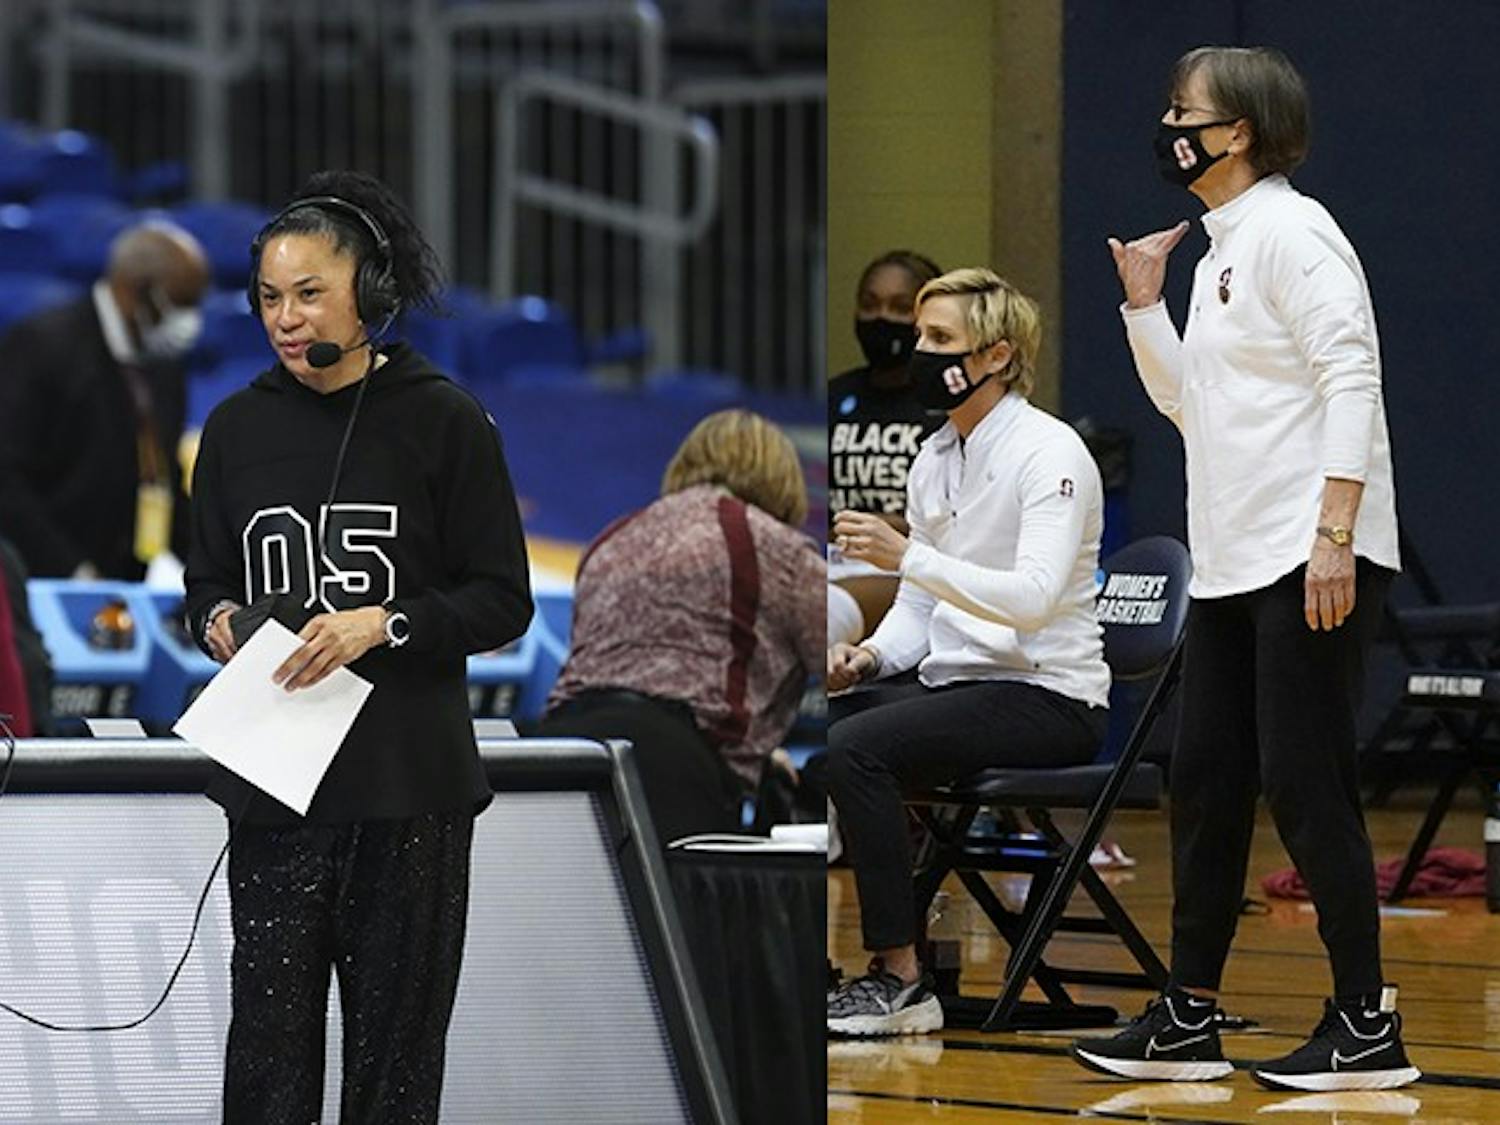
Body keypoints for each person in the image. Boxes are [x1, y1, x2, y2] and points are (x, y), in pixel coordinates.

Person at [1068, 47, 1416, 1092]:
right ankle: (1189, 1016)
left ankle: (1366, 1026)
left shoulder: (1295, 234)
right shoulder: (1222, 250)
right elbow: (1192, 406)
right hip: (1230, 568)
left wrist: (1335, 532)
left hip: (1306, 554)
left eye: (1188, 112)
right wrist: (1142, 308)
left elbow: (1353, 372)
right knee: (1207, 786)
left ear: (1243, 132)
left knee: (1309, 788)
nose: (1170, 127)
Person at [184, 170, 533, 1122]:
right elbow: (204, 581)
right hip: (275, 793)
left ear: (370, 294)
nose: (286, 318)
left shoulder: (445, 420)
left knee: (396, 1069)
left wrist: (386, 623)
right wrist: (218, 622)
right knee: (264, 1060)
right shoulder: (233, 428)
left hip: (409, 793)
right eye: (268, 297)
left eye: (308, 294)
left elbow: (503, 599)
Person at [825, 268, 1109, 1037]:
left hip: (1048, 695)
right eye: (921, 336)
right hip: (957, 687)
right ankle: (817, 960)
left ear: (999, 356)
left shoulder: (1050, 453)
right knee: (811, 719)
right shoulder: (935, 456)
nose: (920, 352)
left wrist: (904, 553)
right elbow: (920, 610)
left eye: (940, 339)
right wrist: (868, 659)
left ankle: (899, 976)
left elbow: (1033, 598)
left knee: (854, 747)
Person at [538, 409, 825, 844]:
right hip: (671, 766)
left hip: (562, 749)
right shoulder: (774, 545)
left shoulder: (613, 537)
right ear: (783, 481)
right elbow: (840, 655)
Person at [0, 221, 208, 580]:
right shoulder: (41, 347)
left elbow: (164, 478)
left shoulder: (165, 366)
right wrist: (72, 570)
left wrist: (211, 569)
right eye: (178, 304)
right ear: (136, 291)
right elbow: (8, 477)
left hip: (126, 581)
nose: (188, 322)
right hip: (43, 578)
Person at [828, 250, 944, 647]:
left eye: (898, 307)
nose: (882, 319)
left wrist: (897, 530)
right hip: (829, 560)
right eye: (870, 304)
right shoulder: (835, 397)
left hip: (911, 572)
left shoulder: (951, 408)